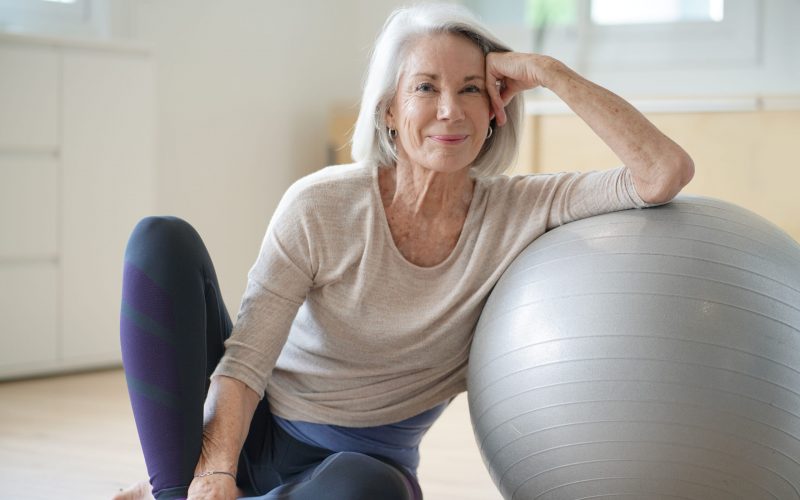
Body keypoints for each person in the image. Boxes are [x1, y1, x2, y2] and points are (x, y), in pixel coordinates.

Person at [115, 3, 694, 500]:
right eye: (425, 87)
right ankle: (179, 492)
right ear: (389, 110)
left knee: (370, 489)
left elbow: (662, 172)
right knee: (160, 239)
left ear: (496, 111)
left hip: (355, 473)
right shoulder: (322, 204)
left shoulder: (522, 210)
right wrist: (216, 470)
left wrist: (548, 72)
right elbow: (245, 361)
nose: (450, 109)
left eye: (472, 88)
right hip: (250, 425)